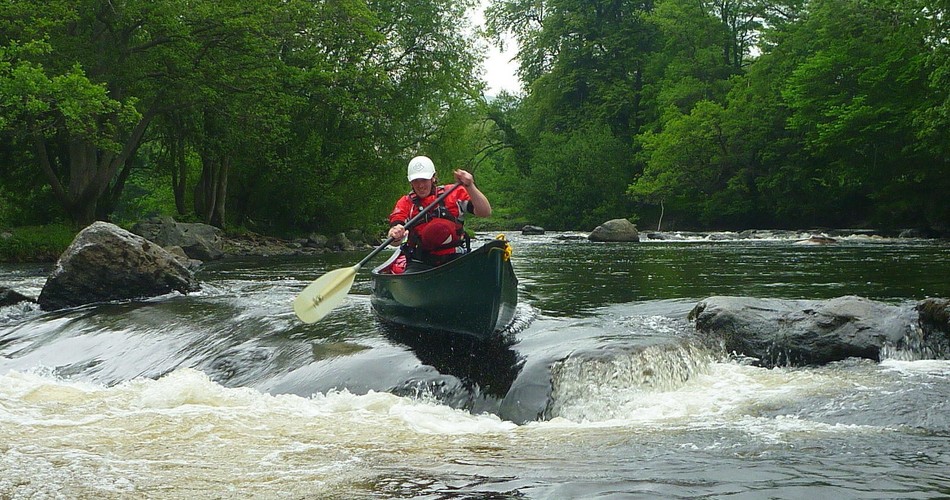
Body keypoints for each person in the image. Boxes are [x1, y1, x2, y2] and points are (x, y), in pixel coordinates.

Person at [387, 155, 491, 273]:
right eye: (416, 181)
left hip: (456, 258)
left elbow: (485, 212)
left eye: (424, 180)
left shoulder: (453, 194)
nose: (420, 185)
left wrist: (470, 185)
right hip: (421, 263)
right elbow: (395, 237)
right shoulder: (405, 203)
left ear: (433, 178)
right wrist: (396, 233)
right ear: (411, 182)